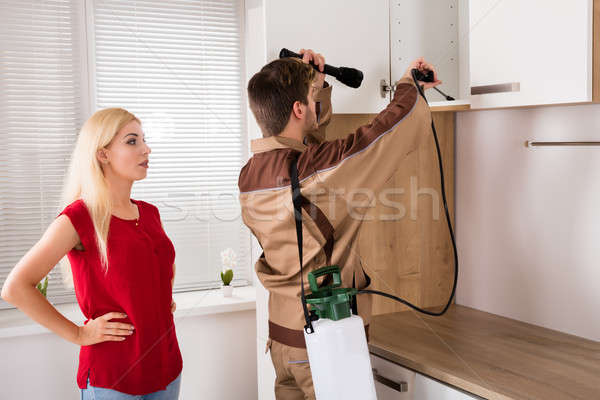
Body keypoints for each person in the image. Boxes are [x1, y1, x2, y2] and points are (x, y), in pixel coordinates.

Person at [239, 49, 441, 399]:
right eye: (308, 100)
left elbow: (312, 168)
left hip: (283, 341)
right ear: (300, 110)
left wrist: (317, 87)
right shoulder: (312, 172)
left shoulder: (251, 175)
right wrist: (410, 84)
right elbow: (386, 134)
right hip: (325, 341)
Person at [1, 108, 183, 399]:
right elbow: (15, 288)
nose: (147, 149)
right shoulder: (79, 217)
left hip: (166, 366)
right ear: (103, 154)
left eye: (144, 140)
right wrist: (78, 334)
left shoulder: (150, 214)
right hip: (113, 377)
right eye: (132, 141)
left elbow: (161, 266)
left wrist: (160, 299)